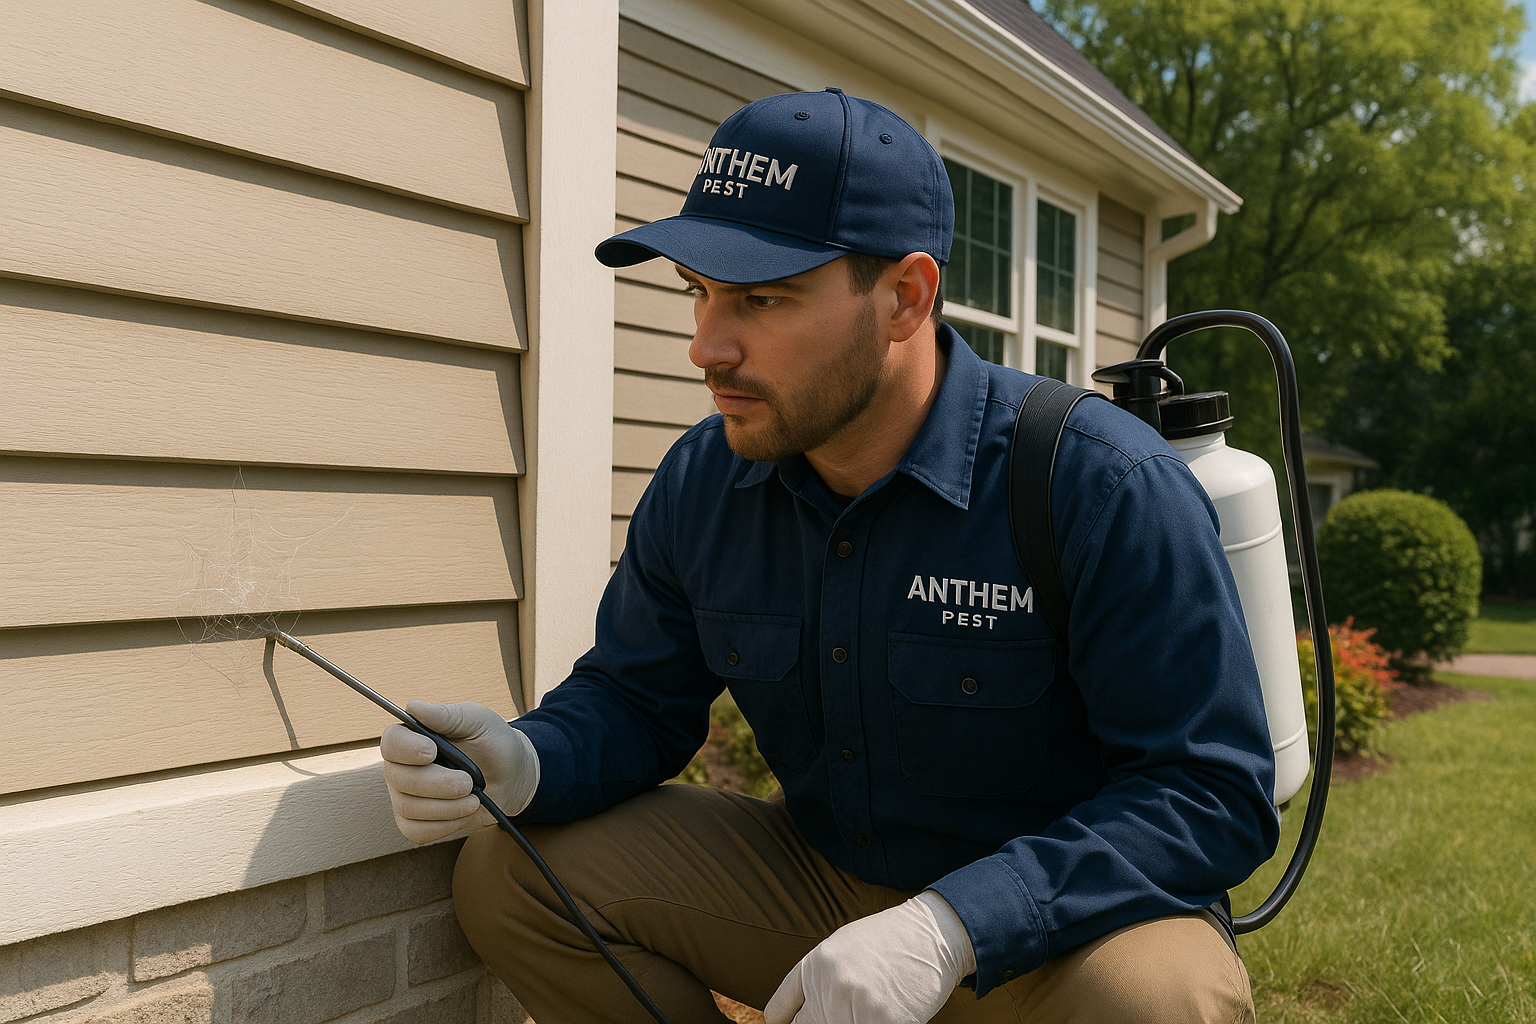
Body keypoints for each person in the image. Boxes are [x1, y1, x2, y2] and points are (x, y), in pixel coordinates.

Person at [381, 88, 1280, 1024]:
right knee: (512, 871)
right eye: (700, 294)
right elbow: (637, 699)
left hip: (1058, 934)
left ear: (905, 298)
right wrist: (531, 760)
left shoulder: (1096, 482)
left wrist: (952, 927)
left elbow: (1208, 792)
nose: (706, 347)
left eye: (762, 299)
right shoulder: (708, 478)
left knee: (1159, 1001)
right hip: (822, 886)